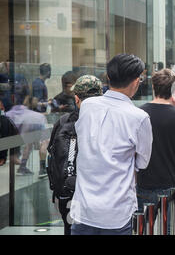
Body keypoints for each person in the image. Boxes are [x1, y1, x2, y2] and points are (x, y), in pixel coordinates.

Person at [70, 54, 153, 235]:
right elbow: (142, 163)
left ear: (108, 78)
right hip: (117, 212)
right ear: (136, 81)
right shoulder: (139, 118)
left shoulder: (88, 106)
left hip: (83, 208)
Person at [47, 75, 103, 235]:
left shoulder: (64, 122)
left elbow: (52, 156)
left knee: (71, 230)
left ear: (77, 98)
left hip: (69, 195)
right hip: (100, 196)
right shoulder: (108, 120)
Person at [137, 69, 175, 232]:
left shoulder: (140, 113)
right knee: (168, 229)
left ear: (153, 87)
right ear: (174, 88)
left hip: (144, 180)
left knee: (143, 227)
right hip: (170, 182)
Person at [7, 77, 49, 178]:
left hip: (15, 138)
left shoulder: (8, 114)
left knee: (29, 142)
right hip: (33, 122)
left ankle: (22, 166)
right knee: (45, 141)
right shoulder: (37, 117)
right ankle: (42, 168)